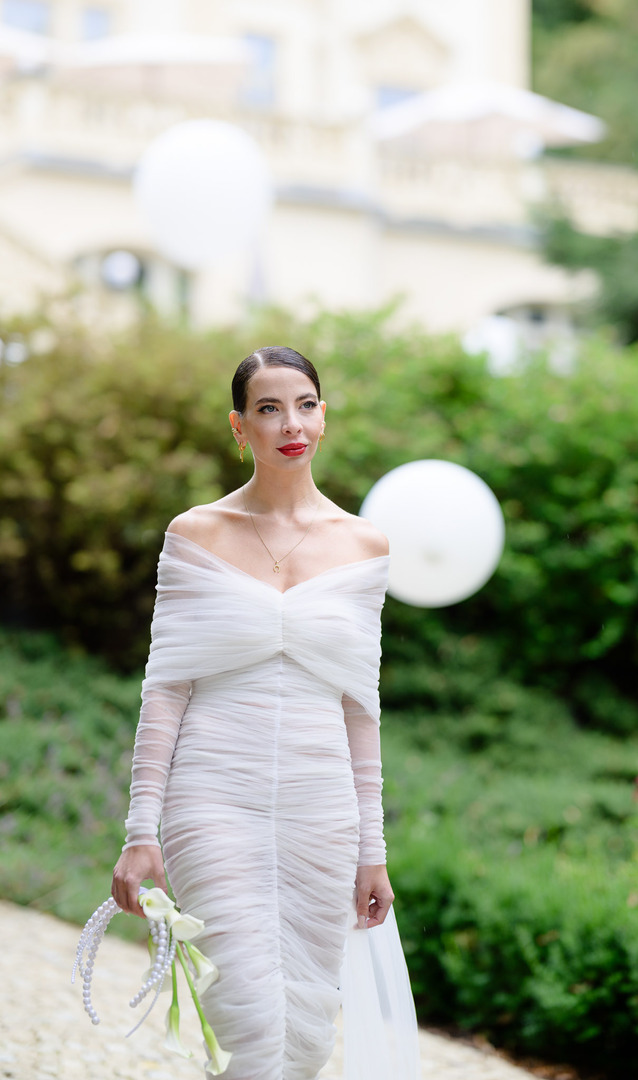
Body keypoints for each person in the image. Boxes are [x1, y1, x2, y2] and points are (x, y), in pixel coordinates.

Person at [111, 346, 420, 1080]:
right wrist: (139, 830)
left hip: (323, 806)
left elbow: (361, 710)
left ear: (324, 416)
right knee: (249, 1012)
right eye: (269, 408)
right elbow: (167, 689)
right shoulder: (194, 536)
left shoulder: (365, 546)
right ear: (238, 426)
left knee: (306, 1029)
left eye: (306, 404)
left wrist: (372, 850)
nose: (292, 423)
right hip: (212, 793)